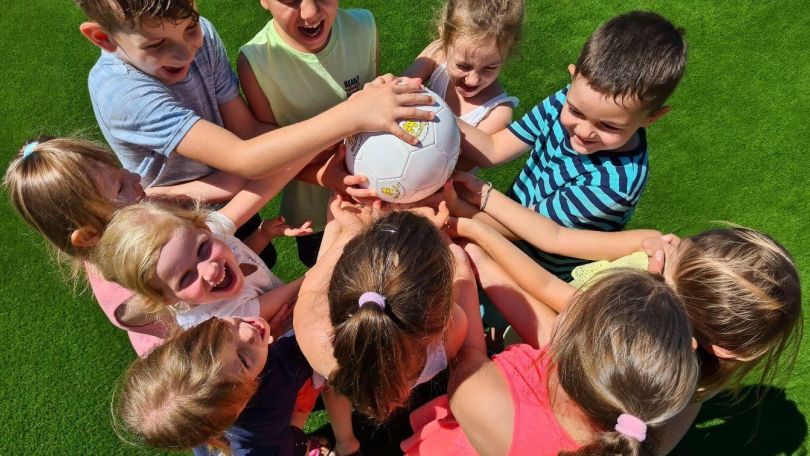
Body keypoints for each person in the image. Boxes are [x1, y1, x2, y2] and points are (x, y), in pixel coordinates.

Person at [75, 0, 433, 267]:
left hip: (236, 193)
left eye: (190, 28)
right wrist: (354, 114)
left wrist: (331, 162)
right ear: (103, 38)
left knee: (260, 266)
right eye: (156, 45)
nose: (185, 52)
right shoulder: (123, 95)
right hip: (177, 223)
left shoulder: (204, 35)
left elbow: (249, 133)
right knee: (225, 304)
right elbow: (246, 158)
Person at [447, 194, 803, 453]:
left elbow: (546, 320)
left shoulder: (615, 318)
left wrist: (471, 249)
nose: (666, 245)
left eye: (673, 256)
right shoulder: (683, 399)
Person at [3, 136, 327, 355]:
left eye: (122, 170)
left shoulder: (160, 224)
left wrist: (317, 145)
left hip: (271, 325)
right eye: (119, 187)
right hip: (250, 362)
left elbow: (244, 196)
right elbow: (220, 344)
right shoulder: (137, 295)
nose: (135, 177)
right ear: (89, 235)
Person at [401, 241, 700, 455]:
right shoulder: (637, 434)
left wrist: (459, 268)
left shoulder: (483, 399)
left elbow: (469, 354)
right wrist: (479, 259)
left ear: (568, 337)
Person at [456, 11, 687, 282]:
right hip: (503, 224)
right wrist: (438, 112)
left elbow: (529, 231)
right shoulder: (562, 100)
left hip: (537, 273)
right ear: (573, 78)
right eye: (576, 111)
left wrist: (455, 206)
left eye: (609, 126)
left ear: (651, 118)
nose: (584, 131)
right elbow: (495, 148)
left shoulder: (616, 183)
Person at [294, 196, 468, 454]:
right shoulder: (453, 335)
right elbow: (463, 278)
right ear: (441, 314)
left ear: (338, 288)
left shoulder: (311, 335)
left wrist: (350, 231)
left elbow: (316, 279)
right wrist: (434, 241)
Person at [238, 0, 379, 267]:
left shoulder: (363, 27)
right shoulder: (255, 62)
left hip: (372, 196)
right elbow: (271, 157)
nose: (311, 12)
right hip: (313, 214)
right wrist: (326, 176)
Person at [113, 315, 320, 455]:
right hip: (271, 447)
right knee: (294, 444)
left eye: (221, 331)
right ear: (240, 406)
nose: (247, 333)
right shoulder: (276, 387)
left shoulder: (210, 413)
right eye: (243, 361)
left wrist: (263, 342)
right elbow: (315, 341)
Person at [92, 196, 309, 329]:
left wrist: (263, 234)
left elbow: (240, 256)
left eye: (202, 249)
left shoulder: (218, 241)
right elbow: (292, 292)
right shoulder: (216, 320)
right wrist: (319, 269)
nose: (210, 269)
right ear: (167, 298)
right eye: (186, 277)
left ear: (203, 228)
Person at [402, 0, 524, 137]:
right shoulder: (436, 54)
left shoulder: (496, 113)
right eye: (463, 66)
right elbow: (399, 88)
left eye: (490, 68)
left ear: (510, 49)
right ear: (444, 39)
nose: (473, 80)